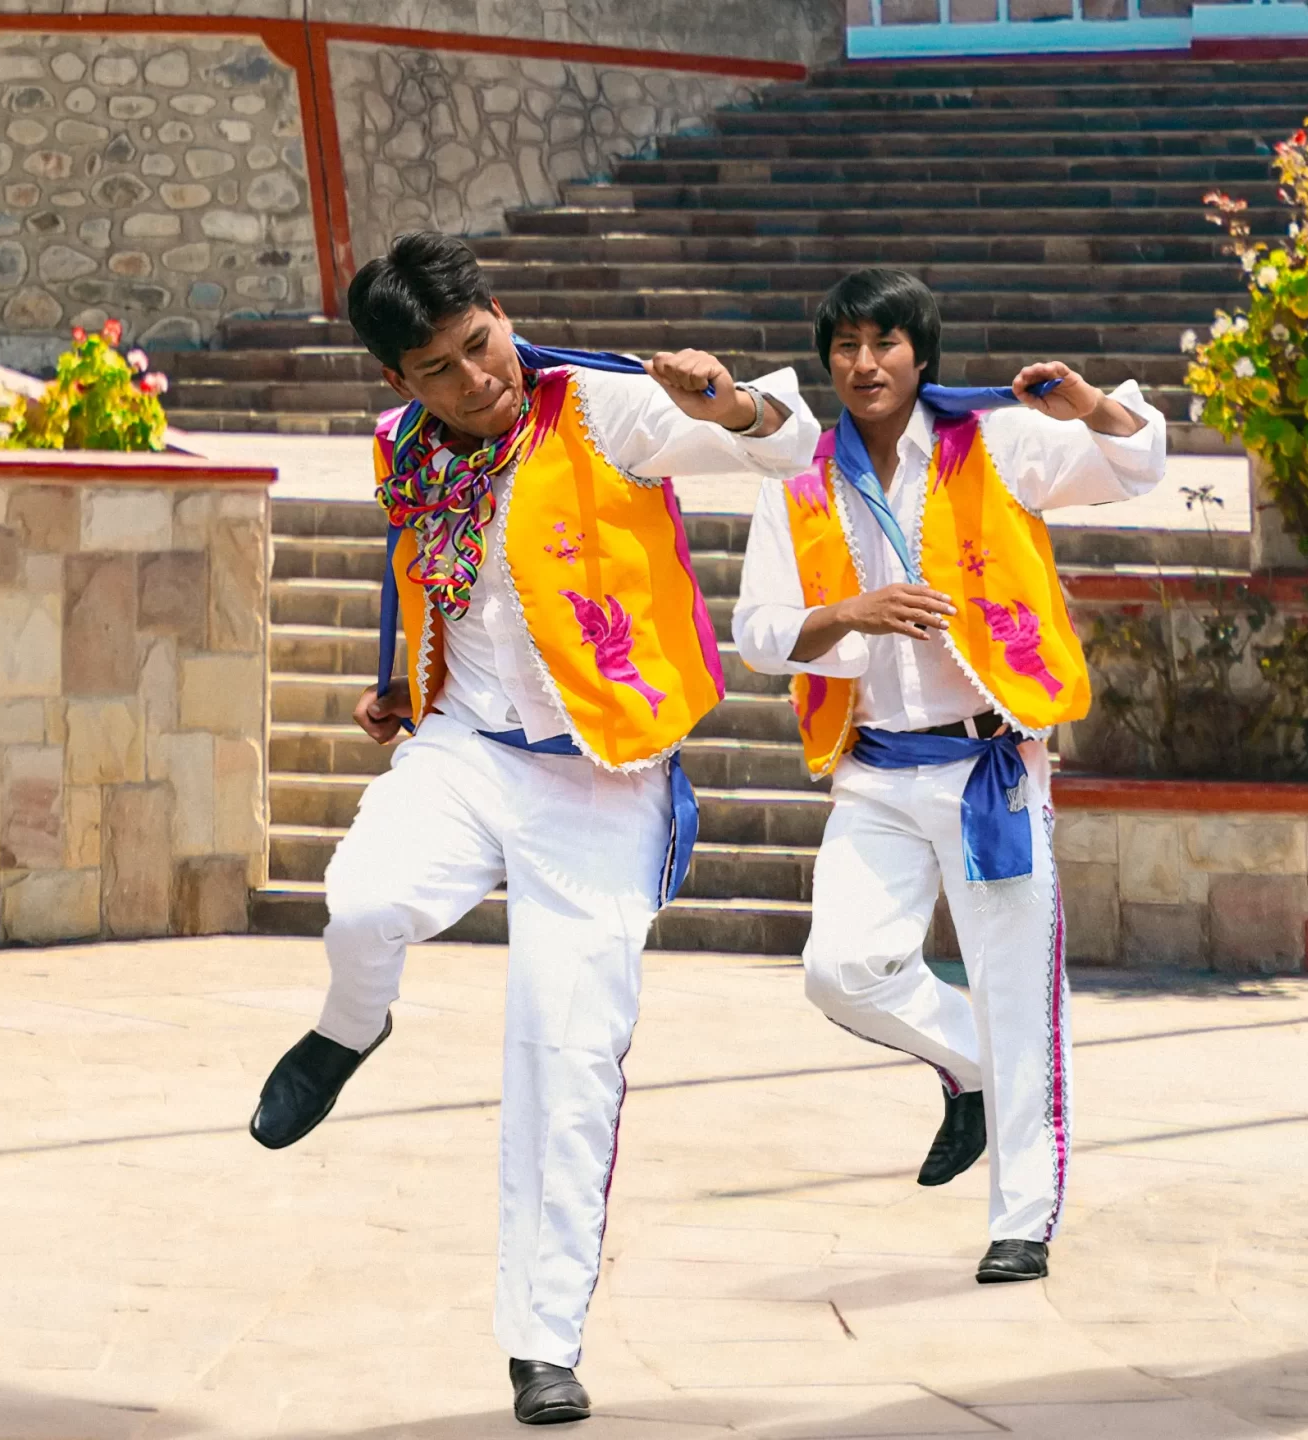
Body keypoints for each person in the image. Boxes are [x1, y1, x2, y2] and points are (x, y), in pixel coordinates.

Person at [244, 233, 821, 1424]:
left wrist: (735, 404)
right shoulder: (404, 445)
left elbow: (787, 447)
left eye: (480, 344)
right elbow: (420, 564)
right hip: (464, 747)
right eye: (440, 369)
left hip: (602, 777)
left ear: (502, 314)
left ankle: (542, 1343)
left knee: (566, 1064)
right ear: (399, 381)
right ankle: (350, 1031)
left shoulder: (606, 407)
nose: (476, 380)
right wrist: (398, 677)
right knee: (362, 903)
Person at [733, 268, 1165, 1286]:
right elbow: (755, 630)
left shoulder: (996, 442)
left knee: (1018, 995)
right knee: (840, 969)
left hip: (988, 767)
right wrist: (848, 613)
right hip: (874, 770)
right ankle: (974, 1068)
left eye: (884, 343)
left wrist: (1090, 406)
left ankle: (1023, 1220)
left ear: (920, 355)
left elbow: (1133, 464)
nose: (864, 363)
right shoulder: (798, 476)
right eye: (845, 346)